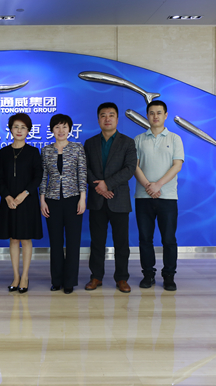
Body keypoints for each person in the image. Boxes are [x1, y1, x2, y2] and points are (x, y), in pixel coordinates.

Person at [84, 102, 137, 293]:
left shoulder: (128, 142)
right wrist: (99, 187)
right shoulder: (90, 143)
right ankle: (96, 276)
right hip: (97, 200)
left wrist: (107, 184)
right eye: (103, 115)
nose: (107, 119)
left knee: (121, 243)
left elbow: (130, 168)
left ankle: (122, 278)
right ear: (98, 119)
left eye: (111, 115)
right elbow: (85, 168)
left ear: (117, 119)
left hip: (119, 199)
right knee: (97, 242)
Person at [134, 100, 184, 291]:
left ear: (166, 115)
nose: (155, 116)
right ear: (147, 115)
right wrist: (148, 186)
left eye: (159, 112)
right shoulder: (139, 139)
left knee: (169, 239)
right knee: (145, 239)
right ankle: (148, 275)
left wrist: (158, 185)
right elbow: (135, 166)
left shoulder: (175, 138)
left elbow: (177, 165)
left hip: (168, 196)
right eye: (152, 113)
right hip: (143, 196)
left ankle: (169, 276)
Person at [0, 113, 43, 294]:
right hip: (9, 202)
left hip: (27, 201)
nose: (19, 130)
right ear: (10, 129)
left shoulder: (33, 152)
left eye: (23, 127)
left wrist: (24, 194)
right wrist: (7, 197)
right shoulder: (3, 152)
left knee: (25, 238)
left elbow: (38, 176)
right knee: (13, 239)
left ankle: (25, 276)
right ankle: (16, 276)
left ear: (28, 130)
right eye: (16, 127)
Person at [40, 114, 87, 294]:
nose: (61, 130)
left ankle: (69, 281)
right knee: (56, 242)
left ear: (70, 129)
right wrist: (42, 199)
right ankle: (57, 280)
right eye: (57, 127)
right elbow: (43, 177)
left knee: (73, 242)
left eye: (64, 127)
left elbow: (82, 174)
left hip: (73, 198)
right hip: (52, 200)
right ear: (52, 129)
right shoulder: (46, 150)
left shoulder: (77, 148)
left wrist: (82, 198)